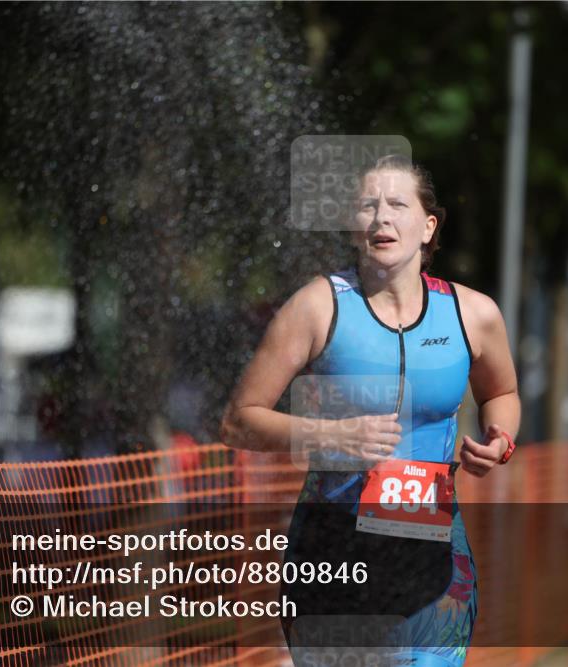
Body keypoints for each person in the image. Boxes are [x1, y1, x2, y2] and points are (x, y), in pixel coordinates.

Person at [221, 154, 520, 666]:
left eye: (397, 204)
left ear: (428, 227)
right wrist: (333, 436)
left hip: (435, 556)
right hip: (331, 553)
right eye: (367, 206)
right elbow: (237, 420)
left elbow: (502, 394)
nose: (381, 217)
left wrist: (501, 441)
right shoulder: (316, 307)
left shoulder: (474, 314)